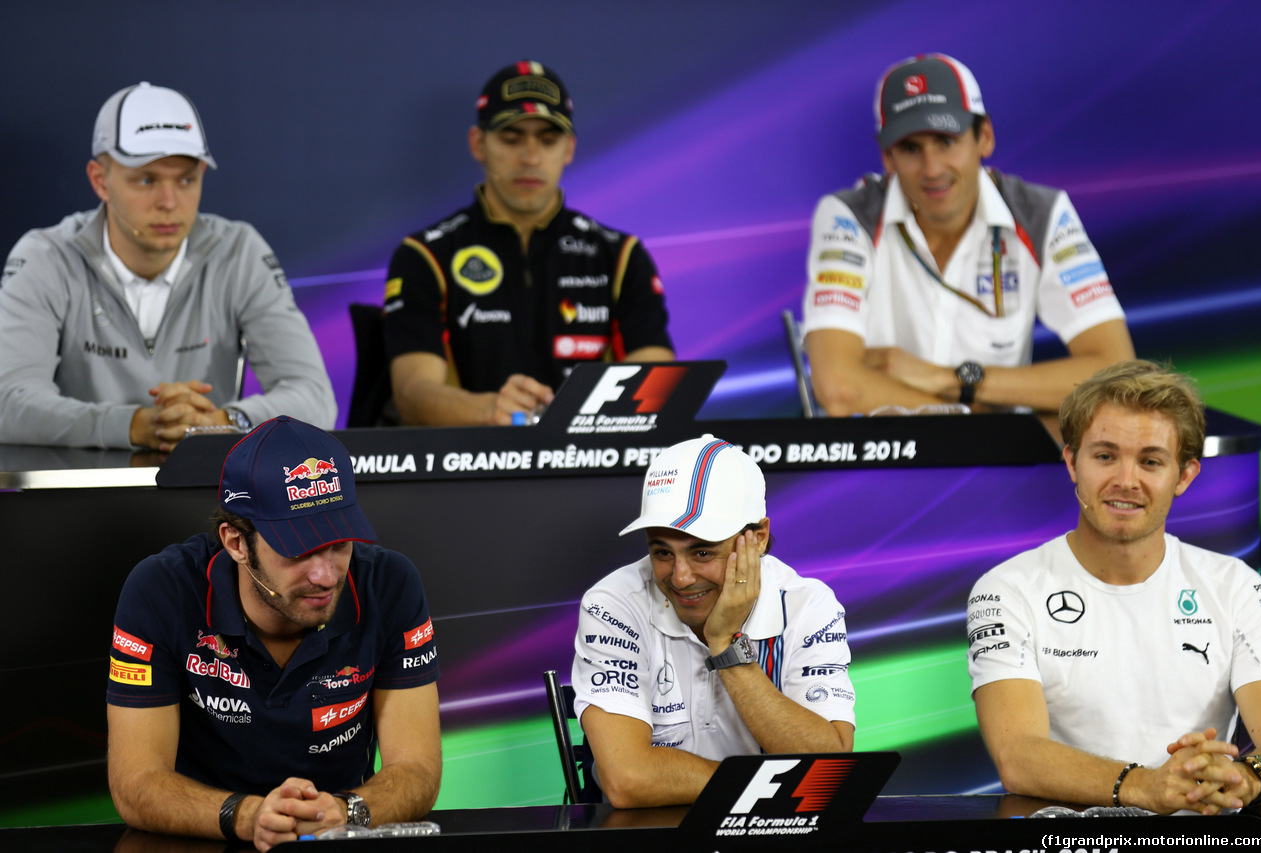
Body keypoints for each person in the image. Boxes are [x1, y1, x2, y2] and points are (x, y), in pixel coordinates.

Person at [106, 416, 440, 850]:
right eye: (299, 549)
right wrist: (249, 816)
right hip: (204, 839)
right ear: (236, 543)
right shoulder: (161, 589)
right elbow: (135, 784)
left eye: (340, 543)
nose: (325, 575)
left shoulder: (391, 584)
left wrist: (344, 811)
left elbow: (418, 768)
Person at [967, 360, 1261, 813]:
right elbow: (1018, 757)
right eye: (1105, 456)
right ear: (1073, 461)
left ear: (1186, 475)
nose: (1125, 481)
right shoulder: (1006, 590)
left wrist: (1247, 778)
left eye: (1150, 461)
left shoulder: (1236, 586)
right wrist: (1147, 786)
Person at [0, 82, 337, 451]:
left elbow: (316, 398)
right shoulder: (46, 256)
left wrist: (226, 421)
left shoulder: (239, 251)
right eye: (146, 180)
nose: (169, 201)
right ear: (101, 181)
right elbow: (7, 401)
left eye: (186, 180)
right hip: (75, 496)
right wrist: (133, 425)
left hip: (207, 500)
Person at [802, 53, 1134, 419]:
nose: (931, 169)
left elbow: (1114, 374)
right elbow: (840, 390)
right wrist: (972, 418)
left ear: (985, 137)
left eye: (946, 141)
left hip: (995, 467)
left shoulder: (1043, 214)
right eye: (911, 148)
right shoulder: (848, 217)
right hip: (883, 465)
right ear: (887, 157)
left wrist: (951, 380)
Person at [382, 60, 674, 426]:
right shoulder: (424, 256)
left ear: (569, 149)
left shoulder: (621, 256)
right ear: (478, 144)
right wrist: (493, 412)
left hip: (590, 472)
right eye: (511, 137)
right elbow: (412, 395)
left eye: (548, 140)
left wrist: (564, 428)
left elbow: (659, 381)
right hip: (465, 472)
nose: (531, 157)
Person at [572, 435, 854, 807]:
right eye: (662, 552)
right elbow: (627, 780)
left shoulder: (808, 605)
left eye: (702, 551)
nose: (681, 577)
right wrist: (771, 782)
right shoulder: (613, 604)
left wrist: (725, 644)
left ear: (758, 539)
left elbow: (830, 766)